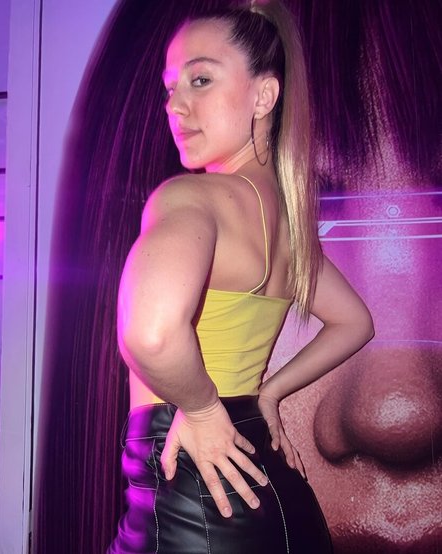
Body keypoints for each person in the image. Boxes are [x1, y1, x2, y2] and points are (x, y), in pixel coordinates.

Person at [108, 2, 374, 553]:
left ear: (264, 96)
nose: (175, 105)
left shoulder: (189, 198)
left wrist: (204, 409)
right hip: (270, 487)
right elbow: (355, 322)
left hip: (199, 491)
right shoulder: (290, 229)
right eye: (170, 87)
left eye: (200, 79)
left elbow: (150, 334)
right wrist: (268, 394)